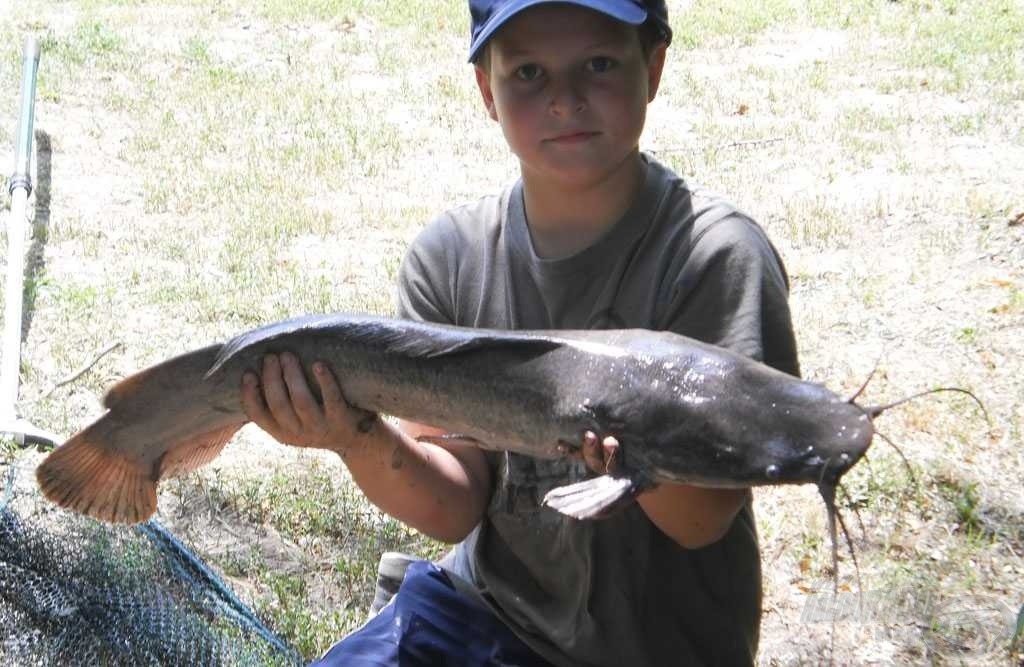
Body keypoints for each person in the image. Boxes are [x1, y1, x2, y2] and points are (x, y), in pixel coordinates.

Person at [240, 1, 800, 665]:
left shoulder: (714, 258)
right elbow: (454, 503)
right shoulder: (449, 259)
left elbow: (703, 519)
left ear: (653, 68)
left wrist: (635, 458)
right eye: (529, 72)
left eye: (597, 64)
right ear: (487, 91)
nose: (565, 100)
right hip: (485, 613)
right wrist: (354, 436)